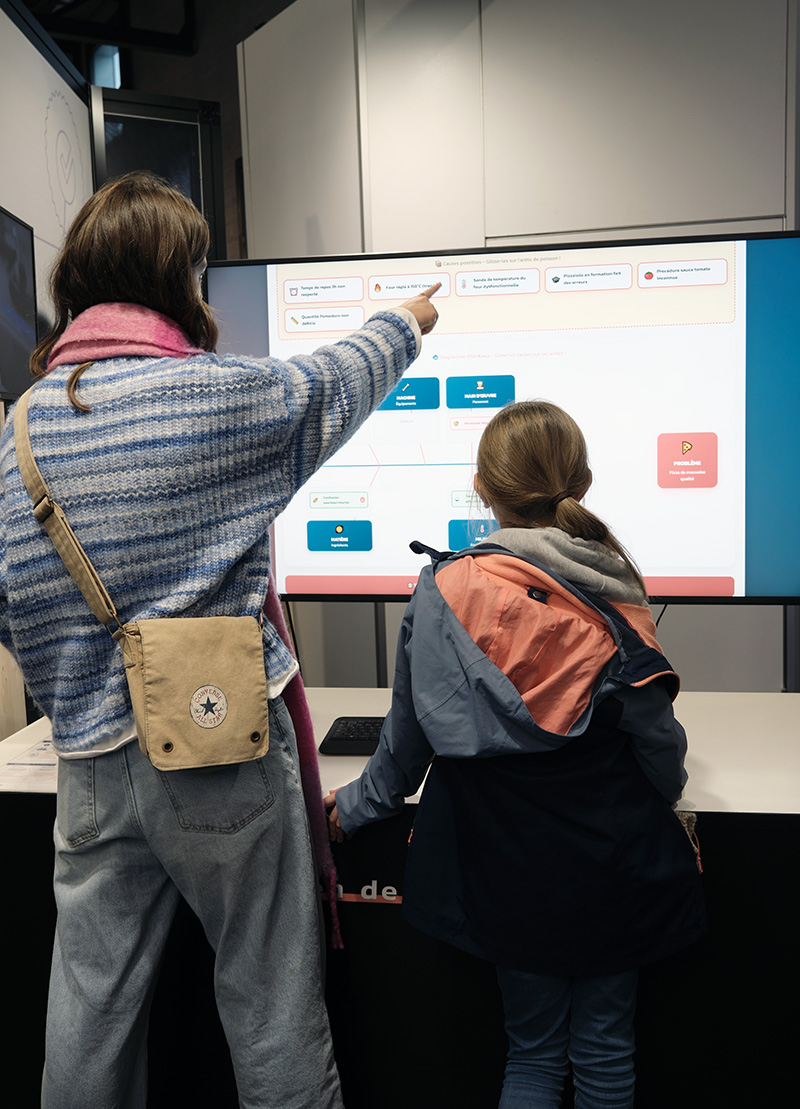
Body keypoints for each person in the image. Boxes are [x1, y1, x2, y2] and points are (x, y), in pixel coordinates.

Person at [0, 170, 439, 1109]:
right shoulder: (211, 395)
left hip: (87, 764)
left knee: (88, 1012)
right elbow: (331, 381)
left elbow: (9, 601)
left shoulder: (20, 430)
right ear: (178, 278)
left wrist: (79, 677)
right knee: (270, 1003)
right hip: (218, 747)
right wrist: (406, 320)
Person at [326, 400, 706, 1109]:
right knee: (605, 1051)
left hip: (501, 865)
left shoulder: (443, 588)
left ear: (481, 487)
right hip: (609, 862)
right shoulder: (613, 584)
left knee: (531, 1055)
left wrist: (353, 808)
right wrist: (671, 789)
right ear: (582, 484)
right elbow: (657, 740)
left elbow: (404, 743)